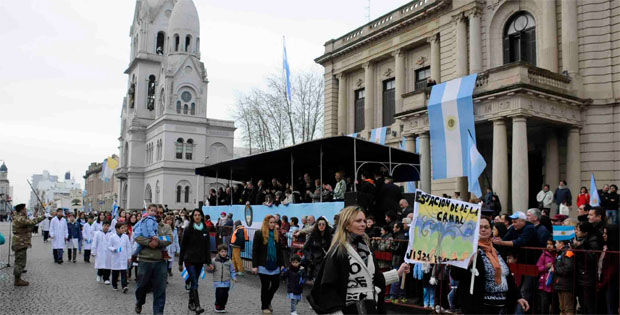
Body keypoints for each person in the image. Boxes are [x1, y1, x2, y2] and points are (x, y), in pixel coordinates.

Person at [308, 206, 410, 314]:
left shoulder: (366, 249)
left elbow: (373, 279)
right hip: (350, 310)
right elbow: (328, 288)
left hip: (370, 308)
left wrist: (398, 273)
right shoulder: (338, 251)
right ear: (346, 224)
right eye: (358, 221)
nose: (363, 224)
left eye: (364, 221)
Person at [452, 216, 529, 314]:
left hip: (498, 306)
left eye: (486, 227)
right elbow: (455, 275)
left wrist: (517, 297)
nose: (483, 229)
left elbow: (506, 275)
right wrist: (467, 262)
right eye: (479, 227)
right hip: (477, 305)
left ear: (491, 230)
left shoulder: (496, 248)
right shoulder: (467, 248)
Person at [492, 211, 538, 313]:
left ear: (523, 221)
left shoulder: (530, 228)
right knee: (515, 289)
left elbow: (519, 242)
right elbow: (506, 238)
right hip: (518, 263)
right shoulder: (514, 228)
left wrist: (501, 242)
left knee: (524, 291)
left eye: (516, 221)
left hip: (531, 264)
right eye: (512, 221)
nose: (514, 224)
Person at [134, 204, 173, 315]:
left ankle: (158, 312)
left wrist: (158, 242)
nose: (158, 214)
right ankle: (139, 301)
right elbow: (137, 236)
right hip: (145, 260)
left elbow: (169, 239)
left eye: (160, 213)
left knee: (160, 289)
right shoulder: (144, 222)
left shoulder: (165, 227)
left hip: (160, 261)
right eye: (156, 212)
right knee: (141, 286)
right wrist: (148, 242)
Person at [178, 209, 214, 314]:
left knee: (195, 281)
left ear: (202, 217)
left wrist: (209, 262)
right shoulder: (188, 229)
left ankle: (190, 302)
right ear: (192, 217)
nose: (197, 217)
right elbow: (183, 246)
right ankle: (198, 305)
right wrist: (180, 263)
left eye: (199, 215)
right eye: (195, 215)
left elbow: (207, 247)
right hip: (189, 259)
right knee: (193, 280)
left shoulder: (205, 230)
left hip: (200, 260)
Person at [252, 215, 285, 314]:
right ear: (266, 223)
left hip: (275, 264)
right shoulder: (259, 233)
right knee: (265, 286)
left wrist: (282, 264)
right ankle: (264, 306)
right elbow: (255, 250)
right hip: (263, 264)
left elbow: (280, 251)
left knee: (275, 284)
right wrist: (254, 266)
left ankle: (268, 301)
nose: (273, 224)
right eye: (270, 222)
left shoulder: (276, 234)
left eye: (274, 222)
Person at [11, 204, 45, 286]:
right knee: (20, 262)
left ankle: (18, 278)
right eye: (25, 209)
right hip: (20, 242)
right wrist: (43, 217)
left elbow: (29, 226)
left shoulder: (20, 217)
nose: (26, 210)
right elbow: (32, 222)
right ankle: (17, 280)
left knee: (19, 260)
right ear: (22, 210)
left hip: (21, 242)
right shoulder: (20, 218)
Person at [573, 221, 602, 314]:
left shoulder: (592, 240)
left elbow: (592, 257)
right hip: (581, 275)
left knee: (588, 304)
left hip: (587, 276)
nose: (576, 232)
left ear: (585, 232)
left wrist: (579, 246)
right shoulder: (581, 239)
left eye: (578, 230)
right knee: (582, 303)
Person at [597, 224, 619, 314]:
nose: (603, 235)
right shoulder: (606, 246)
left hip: (611, 284)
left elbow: (611, 270)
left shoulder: (615, 251)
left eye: (606, 233)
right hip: (605, 282)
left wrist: (602, 284)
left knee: (611, 308)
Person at [303, 217, 332, 281]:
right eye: (319, 224)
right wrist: (310, 258)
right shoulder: (312, 236)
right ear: (317, 225)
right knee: (317, 281)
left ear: (326, 226)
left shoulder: (329, 237)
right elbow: (304, 248)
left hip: (326, 262)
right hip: (315, 262)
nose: (321, 226)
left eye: (323, 224)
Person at [211, 244, 237, 313]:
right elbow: (209, 269)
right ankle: (217, 306)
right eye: (222, 252)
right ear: (219, 252)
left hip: (226, 281)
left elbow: (232, 270)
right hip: (218, 281)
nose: (224, 253)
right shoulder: (214, 260)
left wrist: (234, 277)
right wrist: (210, 268)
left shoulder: (229, 261)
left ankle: (222, 306)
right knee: (219, 294)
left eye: (225, 252)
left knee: (225, 295)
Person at [553, 239, 575, 315]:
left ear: (561, 243)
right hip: (561, 284)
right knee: (562, 309)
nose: (555, 245)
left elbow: (568, 268)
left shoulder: (568, 252)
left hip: (566, 285)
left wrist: (555, 269)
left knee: (567, 309)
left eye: (556, 243)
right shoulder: (560, 253)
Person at [108, 222, 131, 293]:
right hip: (115, 257)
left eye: (124, 228)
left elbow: (128, 247)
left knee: (124, 272)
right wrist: (113, 249)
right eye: (122, 228)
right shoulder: (112, 237)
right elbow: (109, 246)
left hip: (123, 257)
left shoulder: (126, 237)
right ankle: (114, 285)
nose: (124, 229)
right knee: (115, 272)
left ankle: (124, 286)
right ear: (117, 229)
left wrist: (129, 257)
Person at [535, 238, 556, 314]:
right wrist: (546, 266)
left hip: (555, 285)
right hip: (544, 285)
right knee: (544, 307)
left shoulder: (558, 255)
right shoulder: (543, 255)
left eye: (551, 244)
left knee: (555, 308)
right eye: (548, 244)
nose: (549, 246)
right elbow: (538, 268)